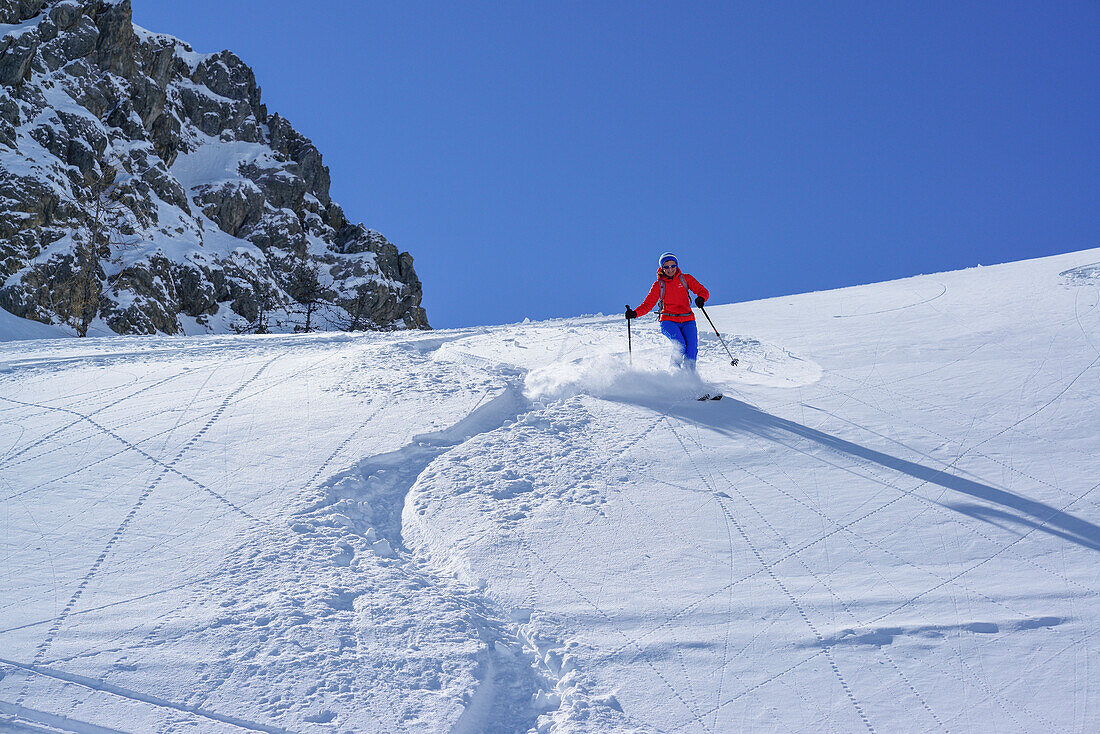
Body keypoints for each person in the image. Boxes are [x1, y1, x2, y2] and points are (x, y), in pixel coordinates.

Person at [626, 252, 709, 371]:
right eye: (666, 267)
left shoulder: (686, 279)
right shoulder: (659, 285)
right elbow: (647, 305)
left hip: (688, 320)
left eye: (672, 266)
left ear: (676, 266)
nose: (670, 269)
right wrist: (634, 313)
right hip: (668, 321)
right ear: (662, 268)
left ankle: (689, 378)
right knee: (679, 345)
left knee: (691, 349)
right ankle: (674, 374)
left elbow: (703, 291)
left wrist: (701, 298)